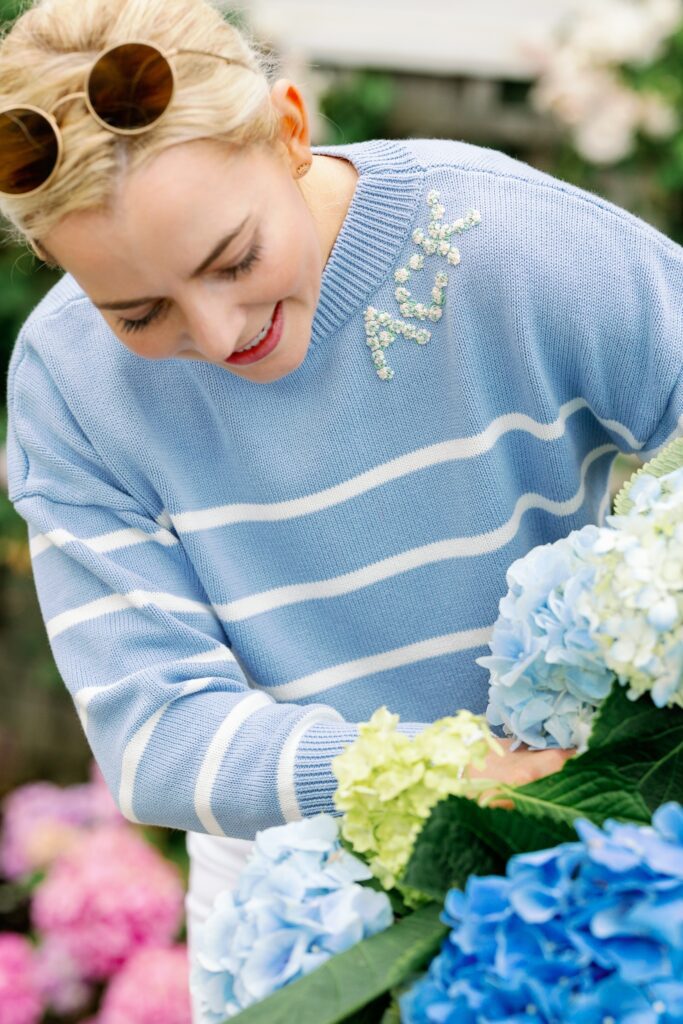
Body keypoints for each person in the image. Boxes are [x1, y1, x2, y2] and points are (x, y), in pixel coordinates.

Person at [1, 0, 682, 1016]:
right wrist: (436, 768)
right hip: (301, 925)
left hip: (582, 864)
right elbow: (156, 737)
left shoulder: (511, 241)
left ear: (287, 127)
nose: (219, 329)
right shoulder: (67, 381)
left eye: (232, 257)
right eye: (137, 312)